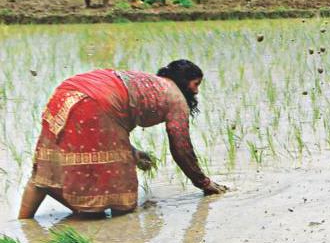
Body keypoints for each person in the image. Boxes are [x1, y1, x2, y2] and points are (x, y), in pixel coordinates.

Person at [19, 60, 228, 219]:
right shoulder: (176, 99)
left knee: (45, 173)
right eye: (196, 84)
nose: (196, 91)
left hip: (67, 92)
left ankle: (23, 225)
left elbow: (110, 130)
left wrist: (134, 153)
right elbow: (181, 148)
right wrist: (204, 183)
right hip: (96, 102)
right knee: (123, 200)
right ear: (184, 81)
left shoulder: (149, 81)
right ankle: (110, 224)